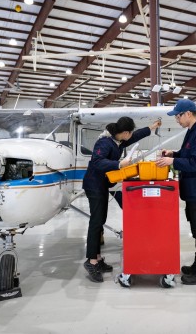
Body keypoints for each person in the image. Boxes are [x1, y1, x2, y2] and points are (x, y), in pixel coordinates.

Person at [83, 116, 162, 282]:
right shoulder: (104, 142)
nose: (131, 135)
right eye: (129, 132)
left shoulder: (117, 140)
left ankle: (97, 258)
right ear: (124, 132)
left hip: (103, 184)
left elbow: (135, 136)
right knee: (96, 222)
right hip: (94, 185)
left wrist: (151, 128)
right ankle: (91, 261)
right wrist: (119, 165)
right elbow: (97, 162)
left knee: (100, 220)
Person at [155, 99, 196, 285]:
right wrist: (174, 154)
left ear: (188, 113)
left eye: (178, 116)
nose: (177, 120)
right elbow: (186, 154)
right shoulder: (191, 132)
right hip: (192, 191)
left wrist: (172, 162)